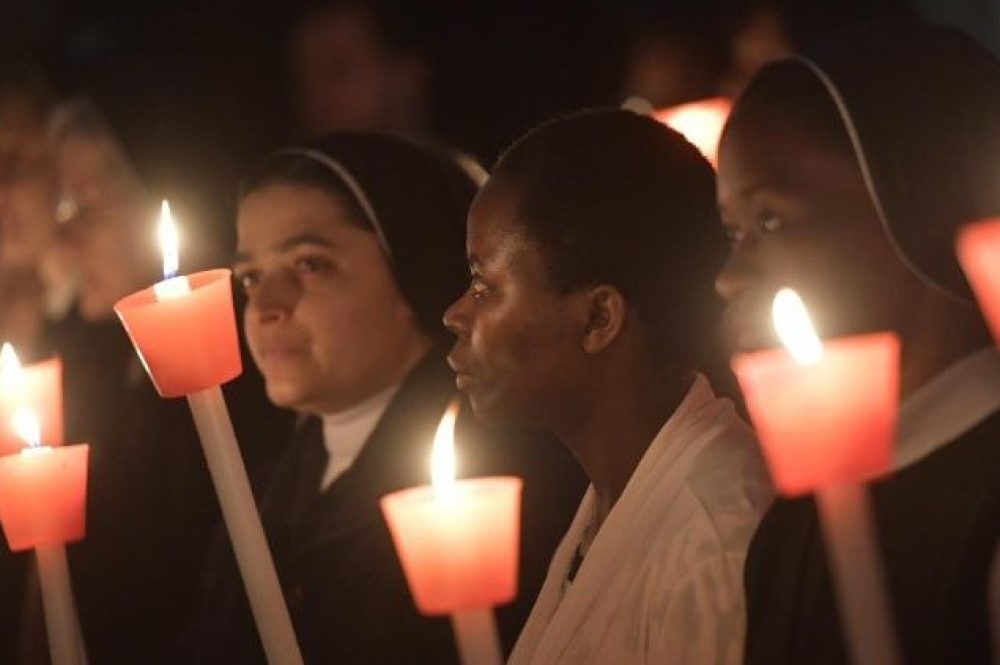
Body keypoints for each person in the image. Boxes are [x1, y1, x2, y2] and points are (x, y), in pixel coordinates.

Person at [194, 133, 583, 663]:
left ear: (412, 266)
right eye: (251, 277)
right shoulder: (261, 492)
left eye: (309, 264)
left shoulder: (493, 480)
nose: (265, 306)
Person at [715, 21, 1000, 664]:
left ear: (915, 204)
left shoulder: (984, 504)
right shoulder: (787, 530)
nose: (729, 279)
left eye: (769, 219)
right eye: (732, 233)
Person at [444, 109, 772, 663]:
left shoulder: (712, 543)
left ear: (598, 319)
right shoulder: (612, 497)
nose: (454, 314)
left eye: (483, 285)